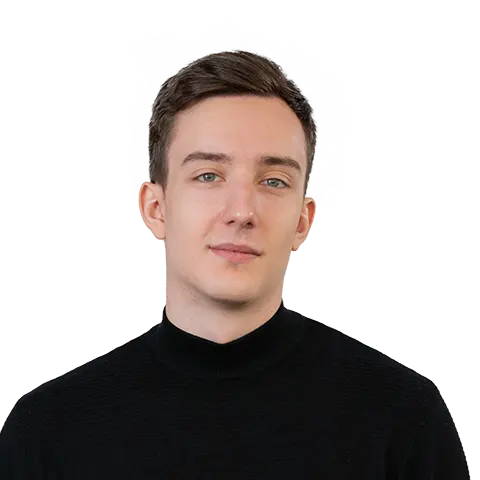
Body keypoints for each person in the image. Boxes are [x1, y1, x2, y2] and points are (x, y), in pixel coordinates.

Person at [0, 50, 470, 479]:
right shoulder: (46, 432)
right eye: (208, 175)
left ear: (303, 221)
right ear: (155, 208)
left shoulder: (405, 420)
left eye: (274, 180)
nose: (241, 211)